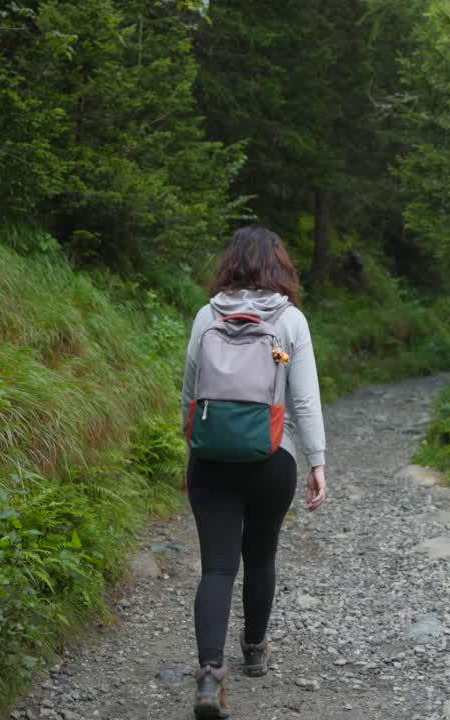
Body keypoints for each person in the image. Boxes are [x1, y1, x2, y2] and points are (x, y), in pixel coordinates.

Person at [180, 225, 328, 719]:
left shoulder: (207, 314)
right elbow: (304, 399)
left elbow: (190, 390)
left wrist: (196, 445)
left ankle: (208, 675)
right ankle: (255, 649)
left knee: (218, 566)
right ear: (279, 267)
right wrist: (317, 460)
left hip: (211, 455)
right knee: (261, 555)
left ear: (231, 265)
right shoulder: (291, 321)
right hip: (272, 456)